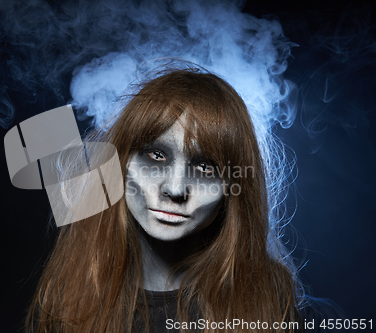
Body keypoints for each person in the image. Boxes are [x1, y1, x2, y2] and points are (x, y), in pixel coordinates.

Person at [25, 68, 349, 333]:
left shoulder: (268, 295)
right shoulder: (73, 288)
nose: (176, 188)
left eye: (205, 167)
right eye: (155, 155)